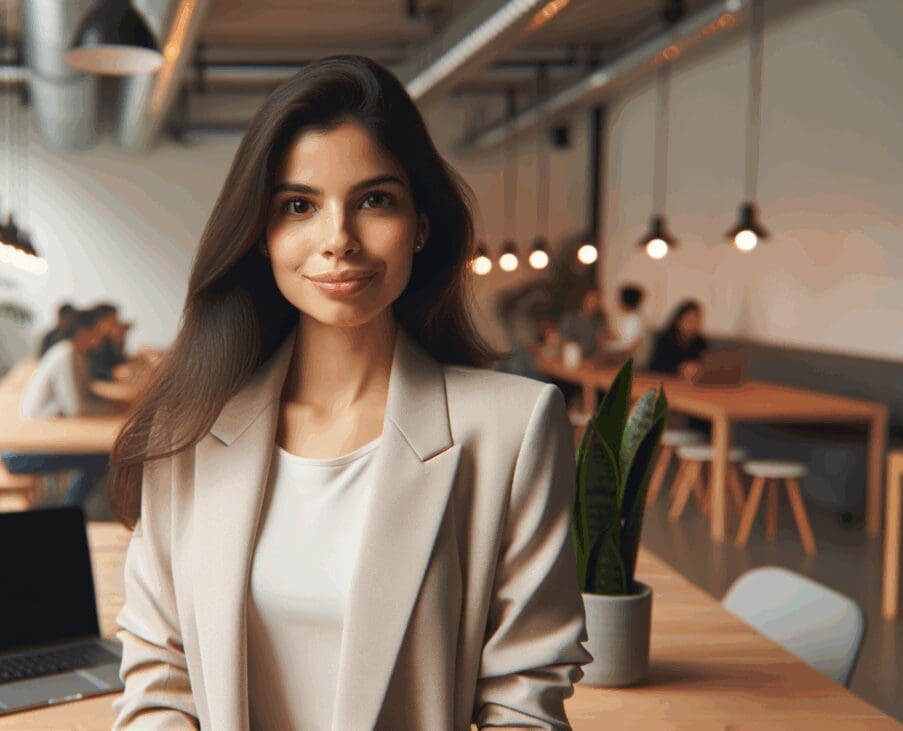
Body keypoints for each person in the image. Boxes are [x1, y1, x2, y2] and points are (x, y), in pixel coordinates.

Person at [109, 55, 590, 730]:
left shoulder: (512, 428)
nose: (338, 239)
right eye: (299, 205)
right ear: (263, 234)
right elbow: (159, 681)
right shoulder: (185, 433)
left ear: (421, 224)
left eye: (374, 200)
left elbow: (524, 697)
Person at [1, 307, 123, 516]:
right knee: (99, 457)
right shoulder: (66, 353)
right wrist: (113, 411)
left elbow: (82, 399)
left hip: (38, 440)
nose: (100, 336)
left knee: (98, 455)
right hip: (22, 451)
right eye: (96, 331)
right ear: (84, 331)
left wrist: (109, 409)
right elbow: (76, 408)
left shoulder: (73, 353)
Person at [647, 299, 709, 378]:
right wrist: (679, 370)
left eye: (697, 320)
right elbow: (653, 368)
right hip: (668, 382)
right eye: (689, 320)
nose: (693, 324)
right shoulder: (665, 340)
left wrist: (698, 368)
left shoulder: (701, 342)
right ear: (678, 321)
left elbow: (705, 367)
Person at [557, 286, 607, 359]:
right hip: (571, 359)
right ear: (583, 299)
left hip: (591, 361)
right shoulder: (570, 318)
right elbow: (562, 340)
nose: (594, 303)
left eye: (597, 299)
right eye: (591, 299)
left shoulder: (599, 320)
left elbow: (601, 342)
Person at [604, 283, 647, 357]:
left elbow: (627, 346)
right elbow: (622, 337)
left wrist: (608, 344)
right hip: (621, 352)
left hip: (623, 355)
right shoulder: (628, 318)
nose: (617, 302)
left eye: (619, 299)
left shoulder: (634, 320)